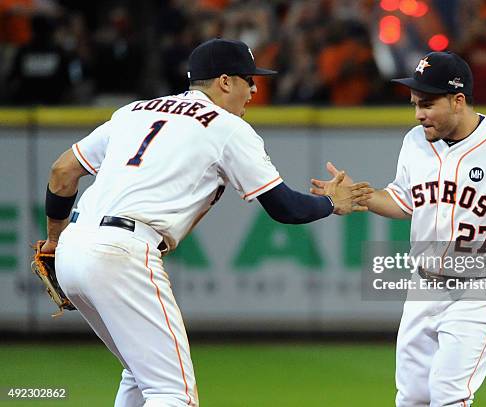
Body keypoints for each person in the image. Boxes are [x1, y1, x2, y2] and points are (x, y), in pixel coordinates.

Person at [42, 38, 371, 407]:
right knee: (173, 393)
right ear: (225, 82)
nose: (255, 89)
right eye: (249, 80)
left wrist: (55, 240)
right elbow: (285, 208)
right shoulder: (227, 127)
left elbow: (62, 171)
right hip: (123, 251)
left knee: (140, 374)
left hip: (75, 245)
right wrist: (331, 202)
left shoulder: (134, 111)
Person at [311, 51, 486, 406]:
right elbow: (404, 201)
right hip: (423, 286)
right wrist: (362, 196)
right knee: (412, 398)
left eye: (428, 104)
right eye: (415, 103)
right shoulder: (414, 142)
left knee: (449, 395)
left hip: (479, 290)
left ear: (458, 100)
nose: (419, 113)